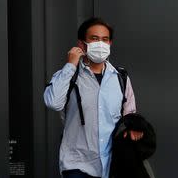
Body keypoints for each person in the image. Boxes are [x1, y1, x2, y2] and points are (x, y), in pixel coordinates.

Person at [43, 17, 144, 178]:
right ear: (82, 44)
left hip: (113, 165)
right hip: (77, 165)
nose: (100, 44)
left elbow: (129, 114)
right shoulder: (68, 75)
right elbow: (53, 103)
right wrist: (70, 65)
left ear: (110, 43)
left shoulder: (121, 77)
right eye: (94, 39)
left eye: (105, 39)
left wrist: (135, 127)